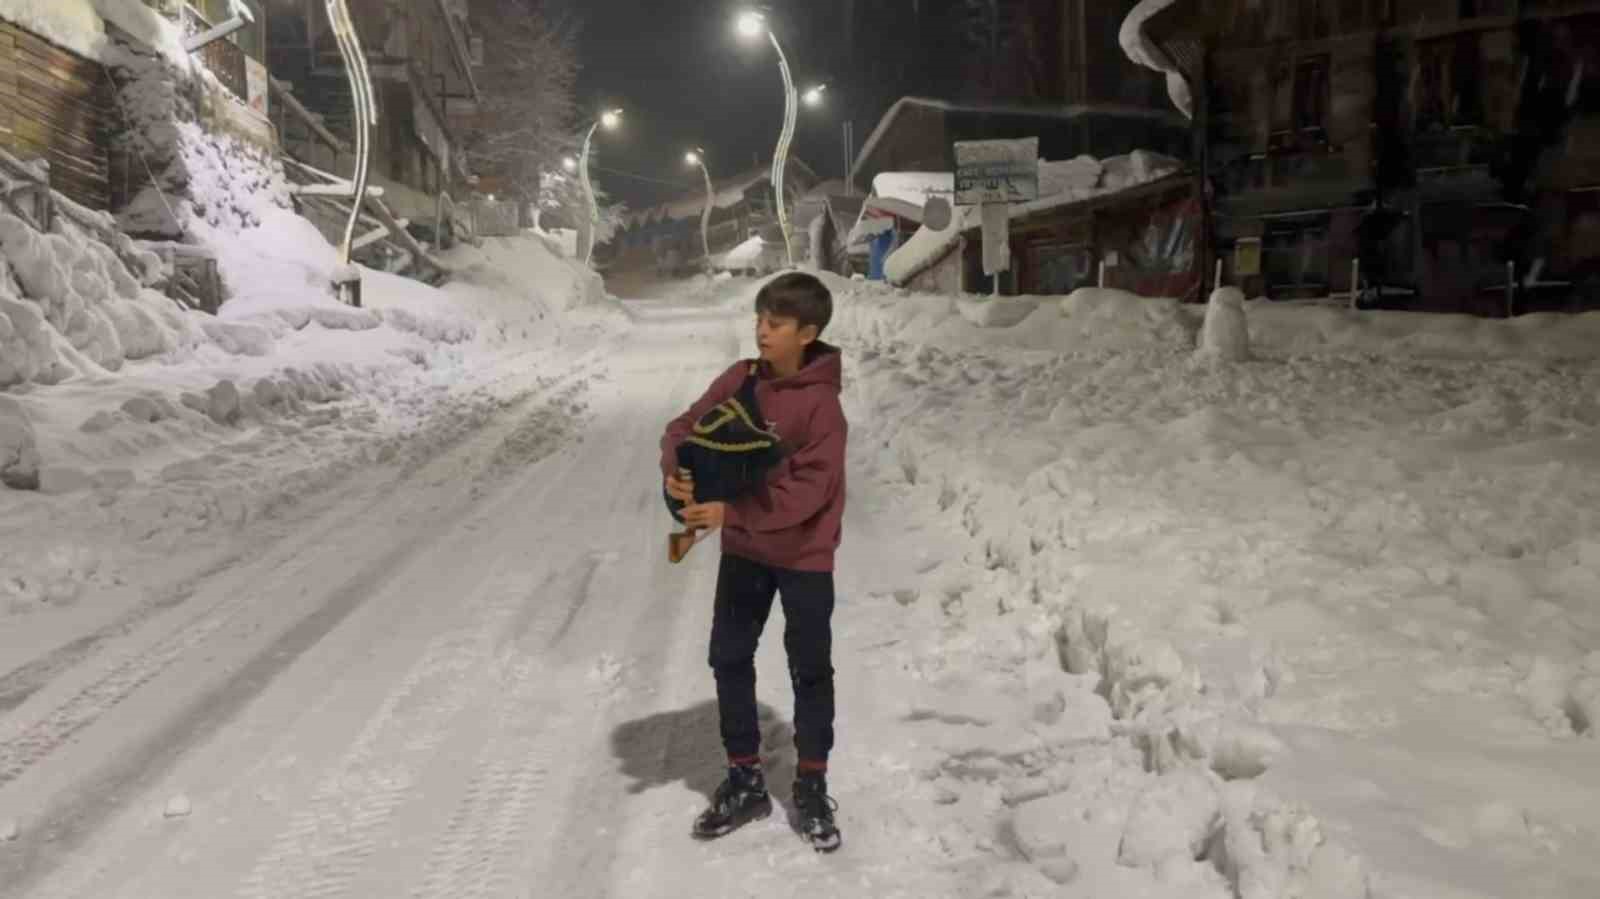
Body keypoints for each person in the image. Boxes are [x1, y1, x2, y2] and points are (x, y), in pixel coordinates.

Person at [659, 272, 848, 853]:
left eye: (776, 324)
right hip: (745, 554)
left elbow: (807, 495)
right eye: (759, 320)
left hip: (804, 556)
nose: (761, 332)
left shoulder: (822, 409)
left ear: (807, 333)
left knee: (809, 668)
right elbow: (682, 427)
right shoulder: (741, 379)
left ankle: (811, 784)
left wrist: (731, 513)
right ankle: (745, 779)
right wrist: (677, 469)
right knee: (729, 656)